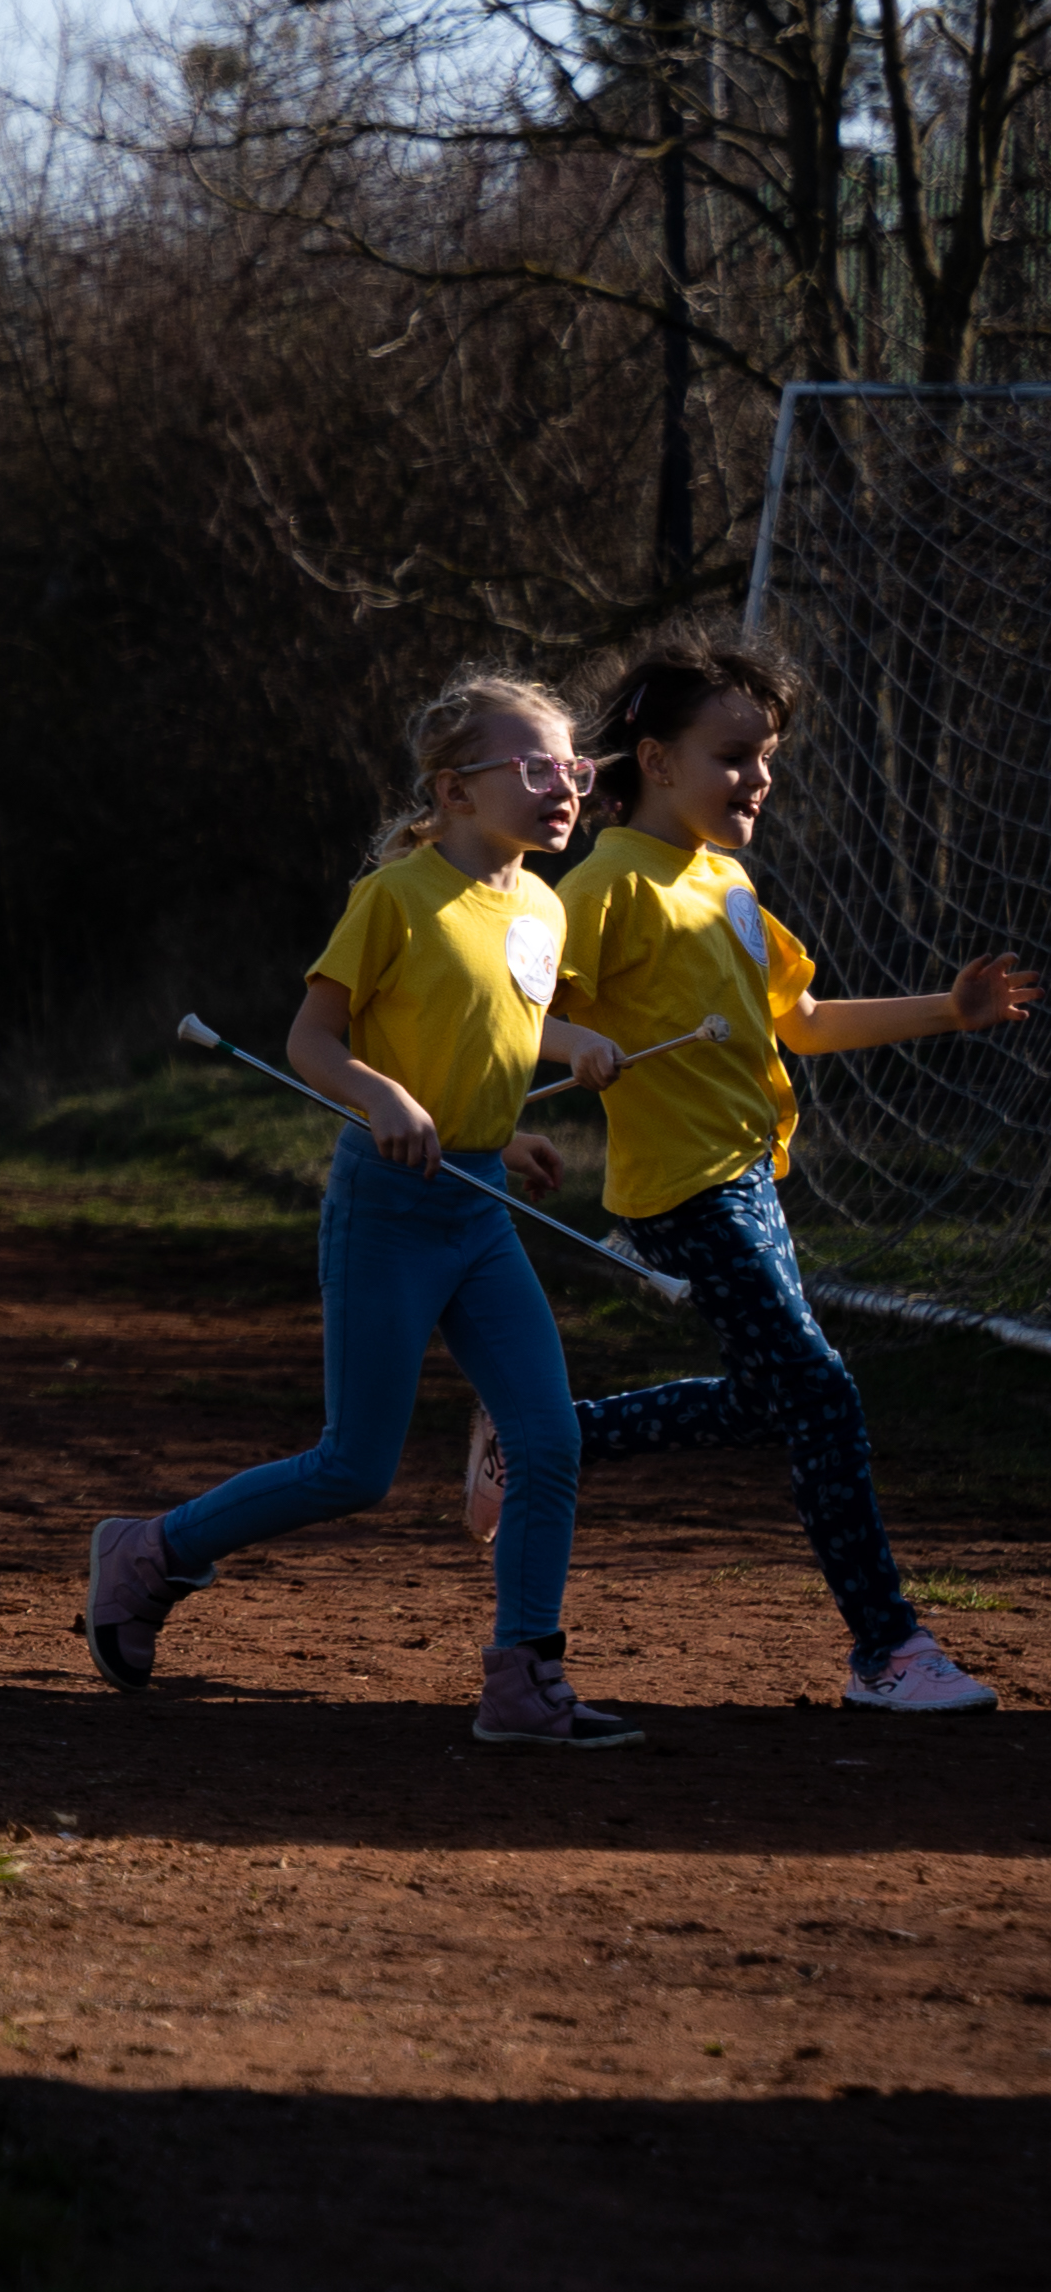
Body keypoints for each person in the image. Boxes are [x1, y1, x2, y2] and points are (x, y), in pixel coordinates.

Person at [82, 671, 630, 1746]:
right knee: (355, 1467)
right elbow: (313, 1044)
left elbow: (486, 1032)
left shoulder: (544, 905)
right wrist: (382, 1095)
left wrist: (502, 1124)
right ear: (455, 790)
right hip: (385, 1208)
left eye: (572, 767)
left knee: (547, 1438)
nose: (562, 786)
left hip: (475, 1207)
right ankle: (149, 1550)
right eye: (534, 767)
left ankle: (522, 1677)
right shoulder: (394, 897)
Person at [496, 639, 1040, 1712]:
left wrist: (949, 1009)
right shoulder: (603, 884)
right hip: (682, 1194)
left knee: (772, 1399)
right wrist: (552, 1066)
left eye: (769, 757)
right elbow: (512, 1015)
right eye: (734, 754)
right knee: (825, 1394)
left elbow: (803, 1021)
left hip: (752, 1180)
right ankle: (887, 1647)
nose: (759, 779)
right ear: (654, 758)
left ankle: (544, 1436)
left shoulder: (728, 883)